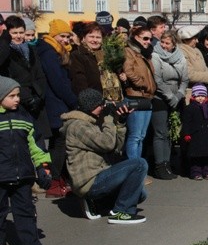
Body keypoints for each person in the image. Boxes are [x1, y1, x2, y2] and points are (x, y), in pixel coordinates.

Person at [61, 88, 148, 224]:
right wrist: (109, 119)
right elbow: (107, 143)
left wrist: (120, 122)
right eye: (101, 105)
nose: (103, 107)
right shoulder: (77, 126)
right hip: (90, 181)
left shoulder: (90, 123)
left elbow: (116, 149)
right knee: (139, 164)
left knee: (140, 194)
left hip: (100, 174)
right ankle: (122, 212)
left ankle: (97, 203)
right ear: (91, 106)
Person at [0, 76, 52, 245]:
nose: (17, 99)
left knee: (25, 210)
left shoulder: (24, 116)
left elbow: (36, 145)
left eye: (18, 95)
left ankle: (31, 243)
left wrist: (42, 167)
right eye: (12, 96)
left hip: (23, 174)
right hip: (1, 175)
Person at [35, 19, 79, 198]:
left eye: (68, 36)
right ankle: (54, 182)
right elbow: (58, 82)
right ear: (54, 35)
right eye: (62, 36)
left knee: (57, 142)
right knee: (59, 143)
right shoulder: (49, 53)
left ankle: (59, 180)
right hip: (55, 103)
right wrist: (73, 101)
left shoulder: (57, 51)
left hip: (57, 102)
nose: (66, 40)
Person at [150, 30, 187, 180]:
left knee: (171, 133)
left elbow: (184, 79)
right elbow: (157, 80)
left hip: (176, 97)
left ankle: (168, 163)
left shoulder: (180, 57)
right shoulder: (155, 55)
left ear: (174, 45)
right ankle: (160, 165)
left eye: (167, 43)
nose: (164, 45)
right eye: (162, 42)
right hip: (160, 97)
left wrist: (179, 95)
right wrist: (170, 96)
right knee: (161, 133)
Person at [122, 24, 156, 160]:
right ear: (136, 37)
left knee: (141, 136)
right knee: (135, 136)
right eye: (145, 38)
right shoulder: (129, 51)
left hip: (147, 97)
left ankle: (138, 169)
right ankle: (132, 168)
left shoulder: (145, 54)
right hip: (134, 96)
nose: (148, 42)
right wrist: (142, 83)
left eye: (150, 39)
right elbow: (128, 70)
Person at [69, 21, 123, 101]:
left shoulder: (106, 55)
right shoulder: (78, 55)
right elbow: (80, 84)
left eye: (98, 37)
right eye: (91, 36)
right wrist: (92, 104)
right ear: (84, 38)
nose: (95, 40)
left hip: (112, 102)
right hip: (92, 103)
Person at [181, 84, 208, 180]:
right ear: (193, 96)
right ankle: (196, 172)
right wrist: (186, 134)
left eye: (202, 96)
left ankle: (206, 171)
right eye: (198, 96)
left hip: (205, 135)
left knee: (206, 156)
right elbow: (186, 122)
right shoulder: (190, 108)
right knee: (196, 156)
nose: (200, 98)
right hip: (195, 136)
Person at [177, 25, 208, 103]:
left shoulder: (197, 50)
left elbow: (206, 68)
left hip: (202, 91)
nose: (197, 41)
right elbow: (189, 74)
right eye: (194, 39)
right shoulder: (181, 51)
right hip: (190, 93)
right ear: (186, 40)